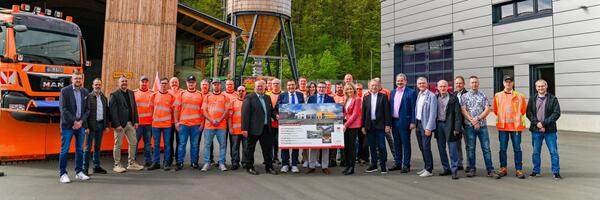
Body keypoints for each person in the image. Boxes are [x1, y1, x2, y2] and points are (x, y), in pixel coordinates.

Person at [461, 76, 501, 179]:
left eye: (476, 82)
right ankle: (472, 169)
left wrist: (477, 119)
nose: (474, 84)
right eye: (472, 82)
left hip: (482, 126)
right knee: (471, 148)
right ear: (469, 84)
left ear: (478, 84)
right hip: (470, 126)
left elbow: (487, 110)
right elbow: (463, 110)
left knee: (486, 148)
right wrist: (473, 121)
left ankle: (490, 170)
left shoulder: (483, 95)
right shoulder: (464, 96)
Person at [526, 79, 562, 180]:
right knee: (536, 152)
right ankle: (536, 171)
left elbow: (556, 113)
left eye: (542, 86)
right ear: (536, 87)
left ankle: (556, 172)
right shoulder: (532, 99)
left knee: (553, 152)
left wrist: (543, 123)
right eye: (538, 86)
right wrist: (537, 123)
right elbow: (529, 113)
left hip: (550, 130)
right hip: (535, 130)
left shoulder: (553, 99)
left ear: (546, 86)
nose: (540, 88)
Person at [58, 71, 90, 183]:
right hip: (68, 125)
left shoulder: (85, 92)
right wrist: (74, 122)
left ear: (82, 80)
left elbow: (87, 110)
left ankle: (79, 172)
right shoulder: (65, 91)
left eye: (79, 78)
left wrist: (80, 122)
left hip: (80, 125)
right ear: (72, 79)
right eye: (76, 78)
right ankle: (63, 174)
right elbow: (63, 109)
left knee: (80, 150)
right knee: (64, 150)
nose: (78, 80)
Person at [493, 75, 527, 179]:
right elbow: (495, 110)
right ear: (503, 83)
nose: (508, 83)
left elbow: (523, 110)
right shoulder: (497, 96)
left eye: (510, 82)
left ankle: (519, 169)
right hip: (503, 128)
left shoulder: (520, 96)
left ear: (513, 83)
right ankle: (503, 168)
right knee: (503, 149)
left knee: (517, 149)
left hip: (516, 127)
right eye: (506, 82)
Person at [242, 80, 278, 175]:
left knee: (267, 149)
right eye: (258, 86)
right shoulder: (249, 97)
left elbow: (271, 111)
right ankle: (249, 167)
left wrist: (276, 116)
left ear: (265, 87)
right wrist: (244, 128)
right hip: (253, 129)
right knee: (250, 149)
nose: (260, 88)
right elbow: (245, 114)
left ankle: (269, 167)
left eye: (262, 86)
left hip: (266, 128)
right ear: (255, 87)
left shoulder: (267, 97)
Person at [109, 76, 144, 173]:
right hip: (120, 125)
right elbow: (112, 111)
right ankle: (117, 164)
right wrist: (117, 125)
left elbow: (134, 107)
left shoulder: (131, 93)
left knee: (133, 142)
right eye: (122, 81)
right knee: (118, 145)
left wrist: (136, 121)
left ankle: (131, 163)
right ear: (118, 83)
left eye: (125, 81)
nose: (124, 83)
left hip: (130, 123)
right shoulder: (114, 95)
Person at [361, 79, 392, 174]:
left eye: (375, 85)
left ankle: (383, 165)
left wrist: (388, 125)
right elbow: (364, 113)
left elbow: (387, 112)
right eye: (372, 85)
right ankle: (373, 165)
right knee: (372, 146)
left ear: (379, 86)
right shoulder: (366, 98)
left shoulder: (383, 97)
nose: (374, 87)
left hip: (380, 126)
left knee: (381, 146)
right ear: (369, 87)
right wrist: (363, 126)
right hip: (369, 125)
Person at [174, 75, 204, 171]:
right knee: (182, 144)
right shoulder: (181, 94)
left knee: (194, 145)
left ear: (195, 83)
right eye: (189, 82)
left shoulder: (200, 95)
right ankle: (180, 162)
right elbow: (176, 109)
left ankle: (194, 162)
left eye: (193, 82)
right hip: (183, 125)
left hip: (196, 125)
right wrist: (176, 122)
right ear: (187, 83)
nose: (191, 83)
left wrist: (202, 123)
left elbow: (203, 110)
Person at [435, 80, 463, 179]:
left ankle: (454, 170)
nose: (442, 88)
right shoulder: (435, 97)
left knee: (453, 149)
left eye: (444, 86)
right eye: (441, 86)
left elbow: (458, 115)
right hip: (439, 125)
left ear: (448, 87)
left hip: (450, 126)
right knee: (441, 148)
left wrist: (457, 128)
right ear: (437, 87)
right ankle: (446, 168)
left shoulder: (453, 98)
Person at [201, 78, 231, 172]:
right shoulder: (207, 97)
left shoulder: (225, 97)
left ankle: (221, 163)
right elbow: (204, 111)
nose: (216, 86)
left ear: (220, 85)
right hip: (209, 125)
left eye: (218, 84)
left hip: (221, 125)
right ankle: (207, 163)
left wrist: (220, 120)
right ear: (212, 86)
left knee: (223, 145)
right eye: (214, 84)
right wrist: (211, 120)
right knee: (207, 145)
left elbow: (227, 110)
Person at [389, 73, 417, 173]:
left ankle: (406, 165)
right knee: (396, 144)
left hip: (405, 122)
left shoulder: (411, 92)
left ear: (405, 81)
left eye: (401, 80)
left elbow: (414, 108)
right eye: (398, 80)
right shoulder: (392, 92)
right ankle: (397, 163)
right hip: (394, 121)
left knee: (406, 144)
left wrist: (413, 122)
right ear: (396, 81)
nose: (399, 82)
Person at [306, 82, 336, 175]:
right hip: (314, 125)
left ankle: (325, 166)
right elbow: (308, 111)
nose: (321, 89)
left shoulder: (330, 99)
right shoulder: (311, 98)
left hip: (326, 126)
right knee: (313, 146)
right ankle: (311, 166)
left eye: (323, 87)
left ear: (326, 88)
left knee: (325, 147)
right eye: (319, 87)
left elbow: (333, 112)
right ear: (316, 88)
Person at [147, 78, 176, 171]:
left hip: (167, 125)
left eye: (165, 83)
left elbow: (173, 110)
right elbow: (151, 109)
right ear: (160, 85)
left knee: (167, 145)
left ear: (168, 85)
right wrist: (153, 118)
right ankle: (156, 163)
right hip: (156, 125)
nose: (163, 85)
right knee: (156, 144)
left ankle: (166, 163)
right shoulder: (154, 95)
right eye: (162, 83)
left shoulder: (171, 96)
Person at [276, 79, 305, 173]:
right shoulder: (282, 95)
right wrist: (276, 115)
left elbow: (304, 108)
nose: (291, 87)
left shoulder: (300, 95)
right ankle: (285, 164)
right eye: (289, 85)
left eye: (292, 85)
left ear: (295, 86)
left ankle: (294, 165)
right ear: (286, 86)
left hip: (297, 124)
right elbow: (276, 108)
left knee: (295, 145)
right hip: (285, 124)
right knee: (285, 144)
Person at [83, 78, 109, 176]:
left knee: (97, 147)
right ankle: (84, 169)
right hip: (91, 126)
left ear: (101, 85)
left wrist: (106, 125)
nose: (98, 86)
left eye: (99, 84)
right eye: (96, 84)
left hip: (101, 125)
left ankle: (96, 167)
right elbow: (85, 113)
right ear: (93, 85)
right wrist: (86, 127)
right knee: (87, 148)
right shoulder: (88, 97)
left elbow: (106, 112)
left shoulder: (103, 98)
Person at [413, 77, 438, 177]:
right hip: (418, 124)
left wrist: (429, 128)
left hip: (426, 125)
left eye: (423, 83)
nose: (421, 85)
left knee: (426, 147)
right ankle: (426, 166)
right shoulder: (419, 94)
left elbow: (433, 113)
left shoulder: (431, 96)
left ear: (427, 84)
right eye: (419, 83)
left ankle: (429, 169)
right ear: (417, 85)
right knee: (421, 147)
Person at [134, 75, 154, 168]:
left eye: (146, 82)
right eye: (142, 81)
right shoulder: (134, 93)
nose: (144, 83)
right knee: (134, 143)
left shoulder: (153, 93)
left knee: (148, 143)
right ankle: (132, 161)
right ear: (139, 82)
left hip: (149, 124)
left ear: (148, 83)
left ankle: (148, 161)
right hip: (137, 124)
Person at [342, 82, 362, 175]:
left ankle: (351, 168)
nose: (349, 90)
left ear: (354, 89)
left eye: (351, 88)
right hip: (346, 124)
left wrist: (346, 125)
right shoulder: (347, 99)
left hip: (352, 125)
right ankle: (347, 166)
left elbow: (355, 114)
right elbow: (346, 112)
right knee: (346, 146)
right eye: (347, 89)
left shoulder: (357, 99)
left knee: (352, 147)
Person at [229, 86, 247, 170]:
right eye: (239, 90)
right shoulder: (233, 102)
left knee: (246, 148)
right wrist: (230, 128)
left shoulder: (248, 102)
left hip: (245, 131)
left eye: (242, 90)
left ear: (245, 92)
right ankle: (235, 163)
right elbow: (229, 117)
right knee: (235, 147)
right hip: (235, 130)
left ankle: (245, 163)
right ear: (237, 92)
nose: (241, 92)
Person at [453, 76, 468, 171]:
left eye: (460, 83)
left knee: (468, 145)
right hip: (456, 125)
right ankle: (459, 163)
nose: (458, 85)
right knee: (457, 145)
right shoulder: (452, 94)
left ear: (463, 84)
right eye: (457, 83)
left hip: (466, 124)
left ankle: (470, 165)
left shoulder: (468, 94)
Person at [169, 77, 182, 166]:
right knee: (169, 141)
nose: (174, 83)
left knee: (179, 141)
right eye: (172, 82)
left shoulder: (182, 92)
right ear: (170, 84)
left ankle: (178, 158)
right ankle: (169, 158)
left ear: (178, 83)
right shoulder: (167, 92)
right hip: (169, 121)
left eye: (176, 82)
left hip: (179, 121)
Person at [331, 81, 345, 167]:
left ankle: (343, 160)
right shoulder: (332, 97)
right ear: (335, 88)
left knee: (342, 142)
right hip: (334, 122)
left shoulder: (346, 96)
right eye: (338, 87)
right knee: (334, 141)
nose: (339, 89)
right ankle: (333, 160)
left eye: (341, 87)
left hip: (344, 122)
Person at [269, 78, 282, 165]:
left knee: (279, 141)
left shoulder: (283, 94)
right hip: (271, 122)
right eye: (274, 84)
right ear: (271, 85)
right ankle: (271, 157)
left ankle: (277, 157)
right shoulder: (268, 95)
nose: (276, 85)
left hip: (282, 123)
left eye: (277, 84)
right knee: (271, 141)